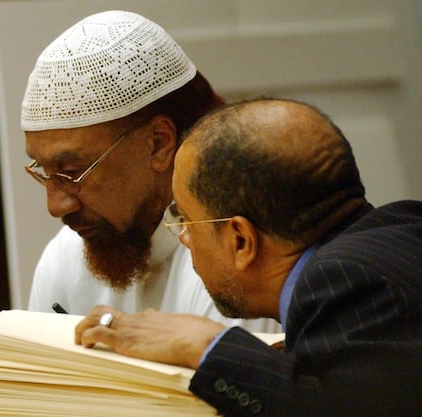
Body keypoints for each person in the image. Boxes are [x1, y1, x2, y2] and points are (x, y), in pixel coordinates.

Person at [75, 97, 422, 417]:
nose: (183, 238)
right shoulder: (416, 223)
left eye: (186, 221)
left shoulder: (344, 281)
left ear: (241, 240)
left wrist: (205, 344)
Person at [21, 10, 278, 333]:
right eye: (43, 171)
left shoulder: (239, 259)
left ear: (158, 144)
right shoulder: (66, 257)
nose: (56, 206)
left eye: (71, 171)